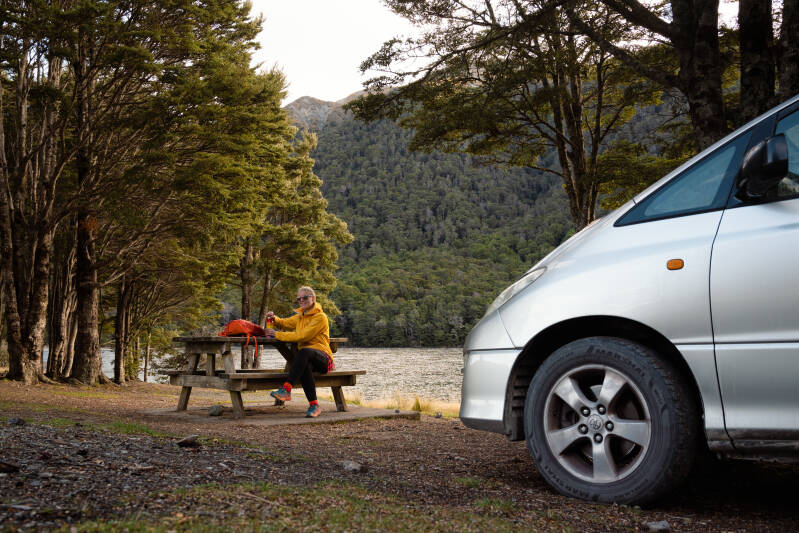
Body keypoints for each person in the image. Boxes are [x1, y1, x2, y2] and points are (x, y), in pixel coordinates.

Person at [265, 286, 334, 418]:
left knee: (304, 352)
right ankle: (314, 406)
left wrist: (277, 334)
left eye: (305, 297)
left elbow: (302, 336)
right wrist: (274, 319)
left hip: (324, 359)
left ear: (313, 299)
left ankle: (286, 389)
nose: (301, 300)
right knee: (304, 365)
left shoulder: (320, 317)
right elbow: (285, 323)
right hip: (308, 358)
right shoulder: (301, 316)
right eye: (299, 298)